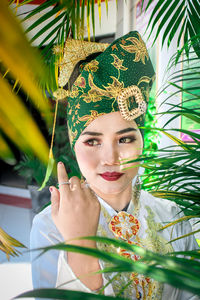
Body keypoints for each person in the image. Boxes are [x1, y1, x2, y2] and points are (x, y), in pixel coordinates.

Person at [30, 31, 199, 300]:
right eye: (92, 142)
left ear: (142, 139)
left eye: (125, 138)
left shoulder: (172, 216)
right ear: (74, 143)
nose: (111, 158)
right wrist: (80, 246)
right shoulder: (49, 226)